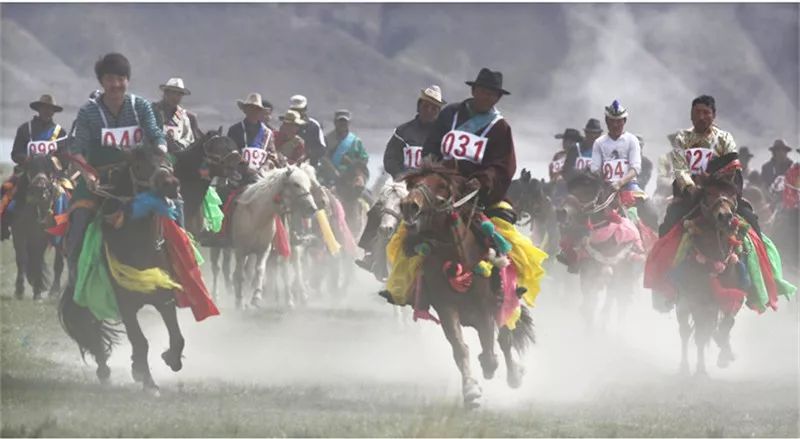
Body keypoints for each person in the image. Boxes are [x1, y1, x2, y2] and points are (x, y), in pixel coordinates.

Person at [381, 68, 547, 315]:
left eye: (492, 94)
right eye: (482, 91)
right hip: (441, 184)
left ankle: (510, 286)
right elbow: (432, 147)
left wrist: (482, 180)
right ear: (473, 91)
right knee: (409, 227)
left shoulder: (500, 128)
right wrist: (432, 173)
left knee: (504, 231)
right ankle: (404, 287)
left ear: (497, 98)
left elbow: (503, 166)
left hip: (477, 192)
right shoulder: (449, 115)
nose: (486, 97)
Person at [64, 53, 167, 295]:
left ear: (127, 80)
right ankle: (75, 283)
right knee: (78, 221)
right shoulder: (88, 112)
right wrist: (87, 174)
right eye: (110, 79)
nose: (116, 84)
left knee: (174, 210)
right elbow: (77, 149)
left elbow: (154, 132)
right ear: (101, 81)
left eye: (121, 78)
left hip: (138, 178)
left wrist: (160, 147)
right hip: (99, 180)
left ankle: (176, 275)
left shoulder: (141, 106)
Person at [356, 85, 445, 276]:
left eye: (434, 108)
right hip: (402, 181)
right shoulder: (403, 131)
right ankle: (370, 252)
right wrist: (399, 175)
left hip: (430, 184)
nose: (429, 111)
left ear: (438, 111)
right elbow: (390, 157)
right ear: (419, 106)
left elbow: (446, 161)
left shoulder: (442, 136)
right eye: (427, 106)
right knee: (380, 207)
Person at [659, 94, 759, 236]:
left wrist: (714, 179)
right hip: (690, 194)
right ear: (691, 116)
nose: (701, 117)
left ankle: (764, 255)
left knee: (750, 218)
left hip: (722, 190)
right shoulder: (682, 138)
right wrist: (692, 188)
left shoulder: (724, 137)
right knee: (669, 221)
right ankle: (660, 257)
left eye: (706, 113)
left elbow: (732, 164)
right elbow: (680, 169)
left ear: (714, 115)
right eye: (697, 113)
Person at [2, 94, 69, 241]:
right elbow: (15, 153)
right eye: (44, 108)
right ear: (39, 109)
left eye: (50, 109)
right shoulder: (25, 129)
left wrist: (52, 162)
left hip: (52, 176)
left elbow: (65, 159)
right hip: (28, 173)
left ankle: (63, 234)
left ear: (54, 112)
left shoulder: (61, 132)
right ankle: (4, 226)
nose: (47, 111)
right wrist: (26, 159)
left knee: (66, 197)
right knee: (7, 193)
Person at [589, 100, 658, 230]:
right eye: (612, 121)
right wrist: (604, 180)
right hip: (605, 188)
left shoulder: (632, 140)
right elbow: (595, 168)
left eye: (619, 121)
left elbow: (635, 168)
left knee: (652, 213)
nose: (615, 125)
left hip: (629, 187)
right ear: (607, 121)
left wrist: (620, 183)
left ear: (624, 121)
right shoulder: (599, 142)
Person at [226, 93, 275, 178]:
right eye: (251, 108)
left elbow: (272, 154)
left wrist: (265, 166)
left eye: (257, 109)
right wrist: (245, 166)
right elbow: (230, 153)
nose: (254, 111)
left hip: (261, 176)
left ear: (260, 112)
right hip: (238, 176)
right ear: (245, 110)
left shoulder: (268, 133)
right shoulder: (235, 130)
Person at [152, 77, 202, 155]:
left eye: (179, 94)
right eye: (173, 93)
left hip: (178, 157)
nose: (175, 97)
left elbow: (188, 138)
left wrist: (177, 144)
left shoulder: (183, 116)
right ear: (165, 93)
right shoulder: (152, 110)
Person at [320, 109, 369, 184]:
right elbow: (323, 158)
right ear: (335, 122)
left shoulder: (356, 141)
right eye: (340, 121)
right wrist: (334, 171)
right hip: (329, 179)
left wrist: (352, 164)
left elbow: (364, 159)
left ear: (349, 123)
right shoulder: (327, 139)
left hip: (351, 180)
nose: (342, 124)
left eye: (345, 122)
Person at [289, 95, 327, 167]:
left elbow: (322, 149)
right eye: (294, 110)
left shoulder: (314, 125)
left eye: (299, 110)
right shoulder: (287, 124)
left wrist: (307, 155)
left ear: (305, 109)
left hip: (309, 165)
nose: (297, 112)